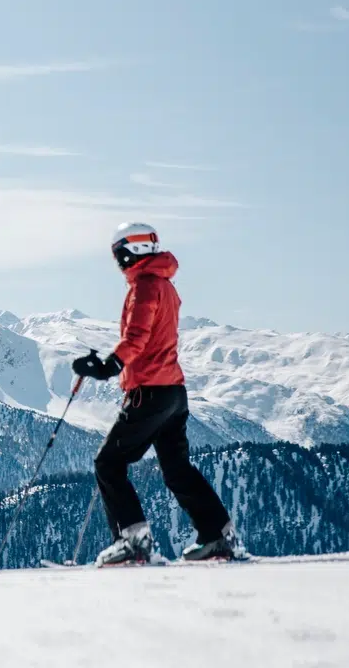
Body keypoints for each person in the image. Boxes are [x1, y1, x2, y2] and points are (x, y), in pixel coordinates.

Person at [72, 222, 245, 565]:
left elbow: (137, 335)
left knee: (109, 463)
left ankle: (132, 541)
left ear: (128, 251)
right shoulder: (165, 285)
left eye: (117, 254)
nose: (117, 262)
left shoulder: (145, 287)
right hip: (173, 392)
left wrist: (109, 367)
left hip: (149, 391)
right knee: (177, 469)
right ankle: (217, 535)